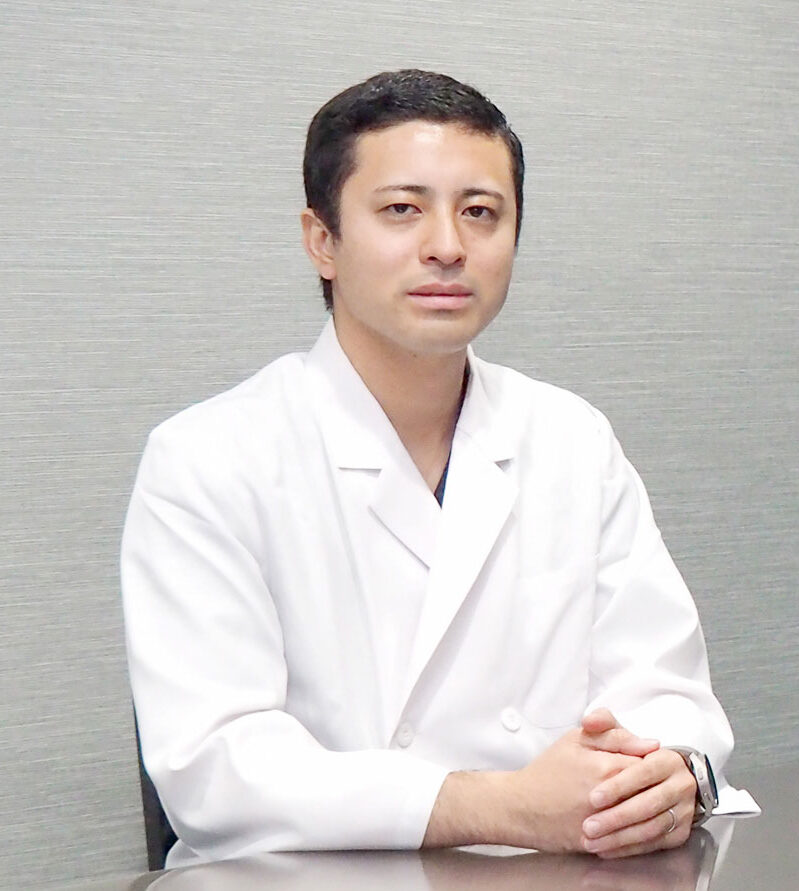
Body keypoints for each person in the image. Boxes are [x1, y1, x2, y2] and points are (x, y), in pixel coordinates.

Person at [121, 69, 735, 869]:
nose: (447, 245)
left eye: (480, 212)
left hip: (565, 874)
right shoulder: (207, 458)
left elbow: (666, 690)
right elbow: (215, 769)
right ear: (321, 240)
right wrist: (500, 805)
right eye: (401, 209)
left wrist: (669, 775)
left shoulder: (570, 437)